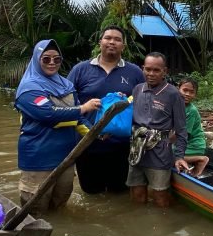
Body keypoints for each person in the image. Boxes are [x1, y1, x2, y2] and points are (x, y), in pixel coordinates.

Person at [14, 39, 101, 211]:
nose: (52, 63)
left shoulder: (66, 84)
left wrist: (95, 132)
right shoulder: (29, 88)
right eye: (46, 59)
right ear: (37, 59)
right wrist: (83, 108)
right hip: (38, 157)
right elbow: (48, 113)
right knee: (36, 209)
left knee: (60, 204)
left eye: (57, 59)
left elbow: (78, 120)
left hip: (66, 157)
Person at [67, 26, 144, 194]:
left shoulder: (135, 72)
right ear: (100, 42)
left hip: (122, 146)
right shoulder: (80, 70)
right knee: (91, 193)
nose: (112, 42)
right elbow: (68, 104)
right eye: (108, 38)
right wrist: (90, 130)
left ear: (123, 46)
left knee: (119, 194)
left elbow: (143, 104)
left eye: (117, 39)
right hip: (86, 144)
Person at [127, 52, 188, 208]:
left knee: (160, 195)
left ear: (165, 71)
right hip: (137, 149)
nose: (151, 74)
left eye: (156, 70)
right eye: (147, 69)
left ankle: (162, 226)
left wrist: (180, 156)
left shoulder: (173, 94)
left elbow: (181, 129)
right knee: (136, 192)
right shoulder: (137, 89)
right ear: (143, 69)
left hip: (160, 151)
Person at [178, 77, 209, 178]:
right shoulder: (176, 105)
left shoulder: (191, 110)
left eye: (191, 92)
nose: (187, 94)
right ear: (178, 89)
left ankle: (201, 159)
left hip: (194, 145)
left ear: (195, 95)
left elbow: (184, 134)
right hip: (186, 143)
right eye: (185, 90)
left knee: (166, 153)